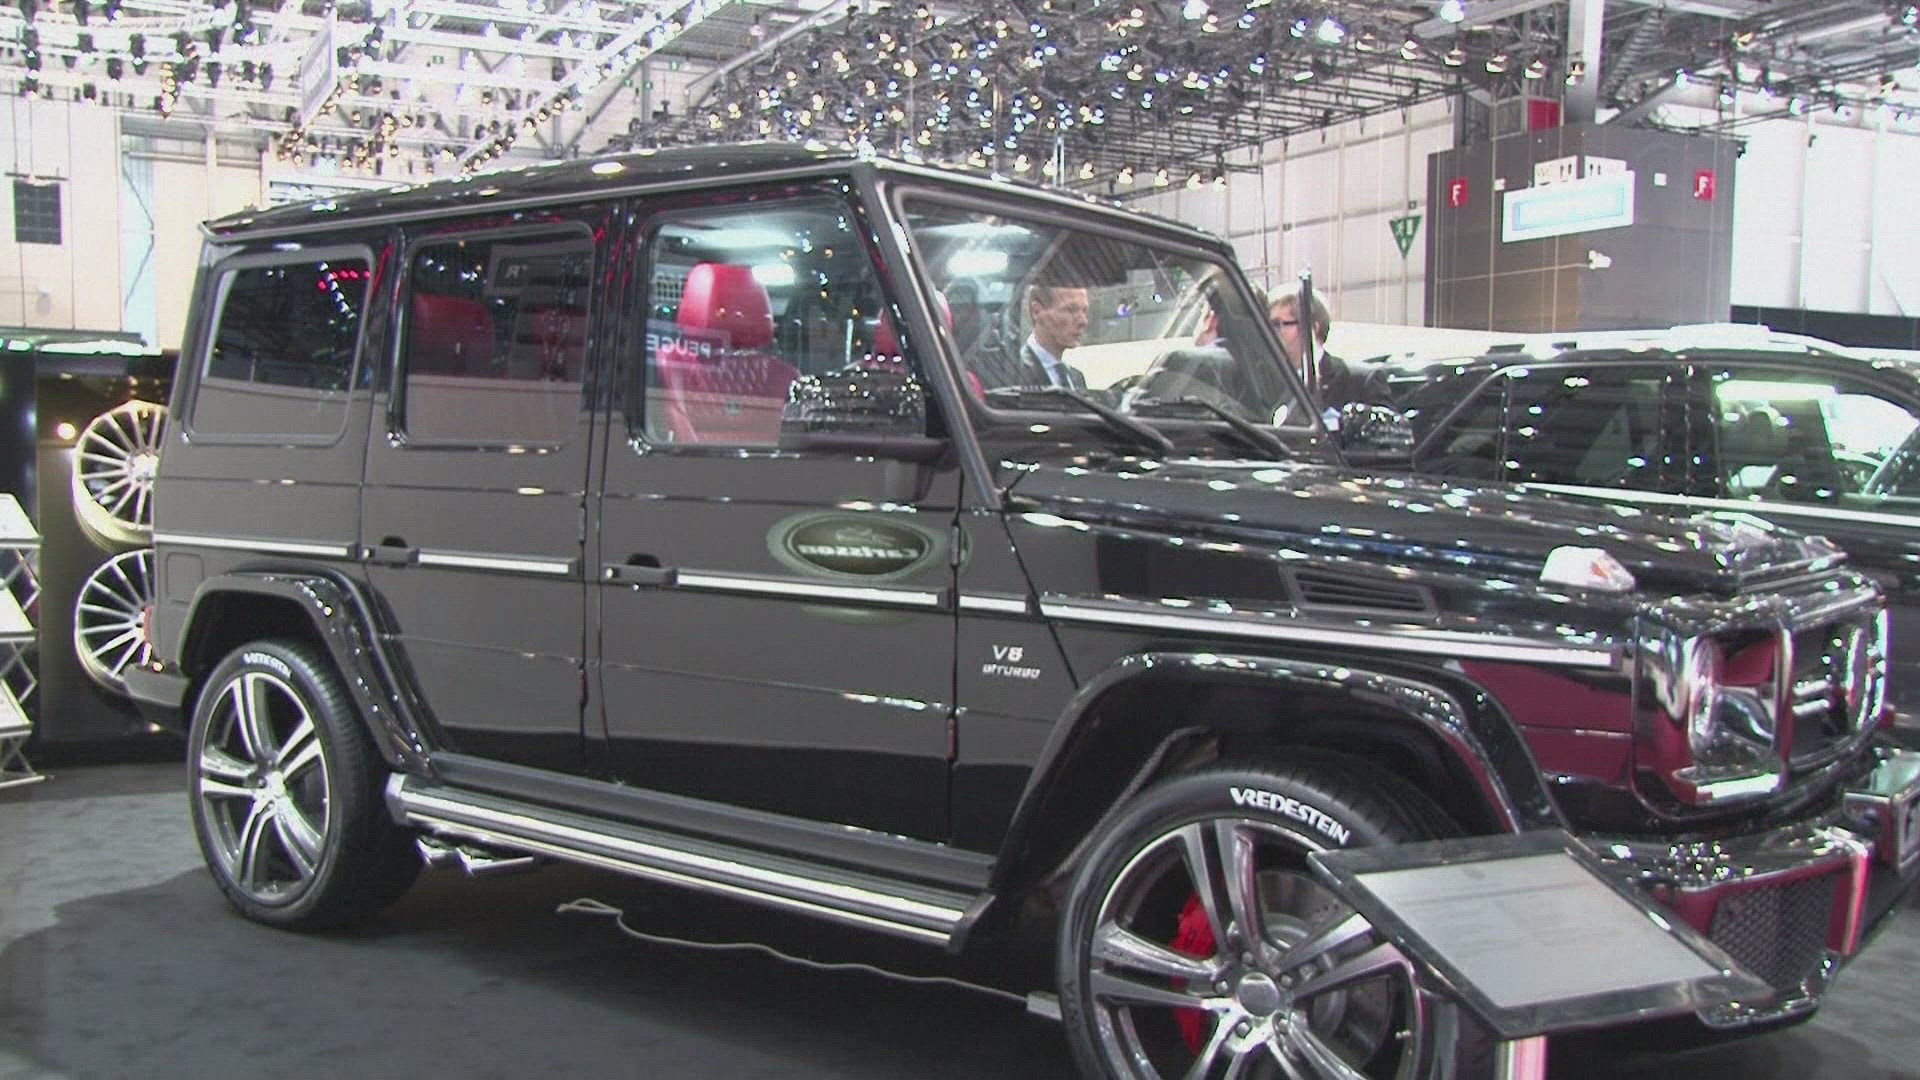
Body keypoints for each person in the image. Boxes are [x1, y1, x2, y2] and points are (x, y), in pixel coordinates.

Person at [1269, 292, 1390, 421]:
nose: (1271, 332)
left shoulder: (1361, 382)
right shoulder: (1266, 382)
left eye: (1277, 324)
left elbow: (1386, 430)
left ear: (1311, 328)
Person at [972, 284, 1090, 391]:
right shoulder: (1008, 374)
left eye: (1084, 311)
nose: (1083, 321)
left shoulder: (1076, 377)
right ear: (1036, 311)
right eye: (1070, 310)